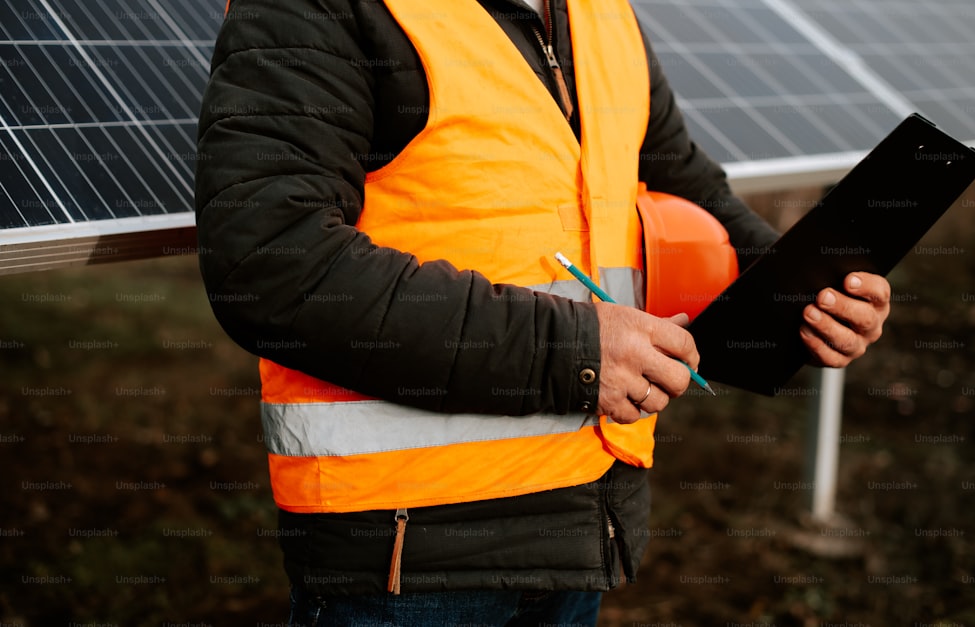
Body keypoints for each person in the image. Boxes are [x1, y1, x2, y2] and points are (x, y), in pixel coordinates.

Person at [194, 0, 891, 624]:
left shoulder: (598, 14)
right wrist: (578, 351)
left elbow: (679, 180)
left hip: (580, 526)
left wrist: (803, 290)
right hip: (406, 556)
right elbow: (271, 262)